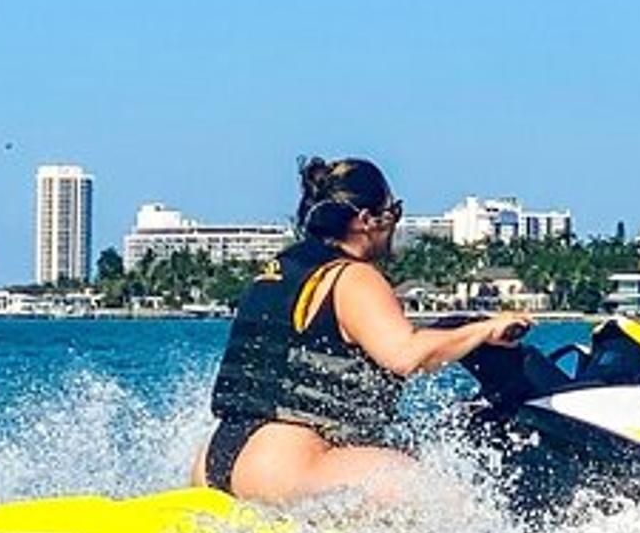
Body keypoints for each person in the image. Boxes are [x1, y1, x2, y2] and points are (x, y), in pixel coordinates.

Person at [195, 156, 531, 505]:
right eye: (394, 211)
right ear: (367, 220)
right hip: (285, 464)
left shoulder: (280, 268)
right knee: (450, 500)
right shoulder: (354, 277)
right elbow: (406, 355)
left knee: (409, 448)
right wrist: (486, 330)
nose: (396, 224)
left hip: (217, 458)